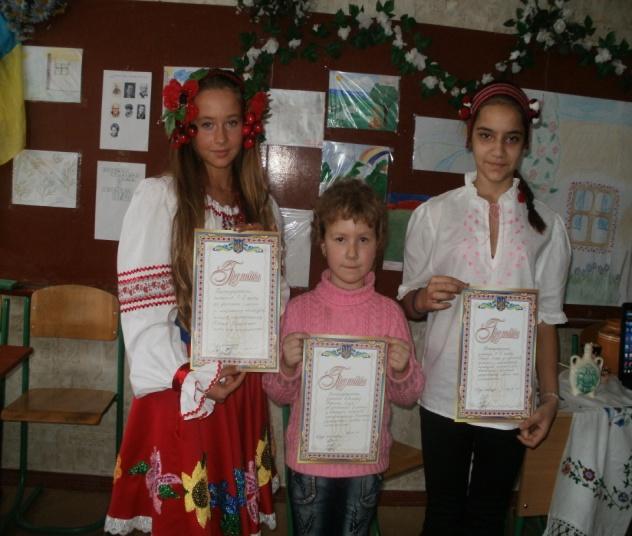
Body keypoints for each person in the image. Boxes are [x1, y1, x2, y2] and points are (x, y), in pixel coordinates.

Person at [105, 68, 285, 535]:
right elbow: (142, 309)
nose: (220, 138)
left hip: (240, 381)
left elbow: (275, 306)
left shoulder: (261, 205)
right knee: (189, 518)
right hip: (185, 383)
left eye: (231, 123)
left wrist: (265, 257)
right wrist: (192, 376)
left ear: (248, 126)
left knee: (226, 519)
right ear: (187, 129)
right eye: (207, 124)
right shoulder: (162, 199)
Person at [398, 82, 571, 536]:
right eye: (486, 136)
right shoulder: (434, 214)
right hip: (444, 395)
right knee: (442, 514)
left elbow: (547, 320)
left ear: (525, 144)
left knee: (488, 517)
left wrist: (550, 399)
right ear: (469, 137)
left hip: (509, 397)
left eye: (511, 138)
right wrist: (422, 298)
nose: (497, 150)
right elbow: (408, 303)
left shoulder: (547, 227)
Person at [263, 179, 425, 535]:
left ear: (378, 244)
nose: (352, 252)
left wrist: (401, 371)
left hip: (364, 464)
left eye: (363, 239)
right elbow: (277, 392)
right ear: (322, 244)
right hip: (309, 463)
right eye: (340, 239)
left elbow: (408, 396)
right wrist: (287, 365)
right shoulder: (299, 311)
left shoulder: (389, 314)